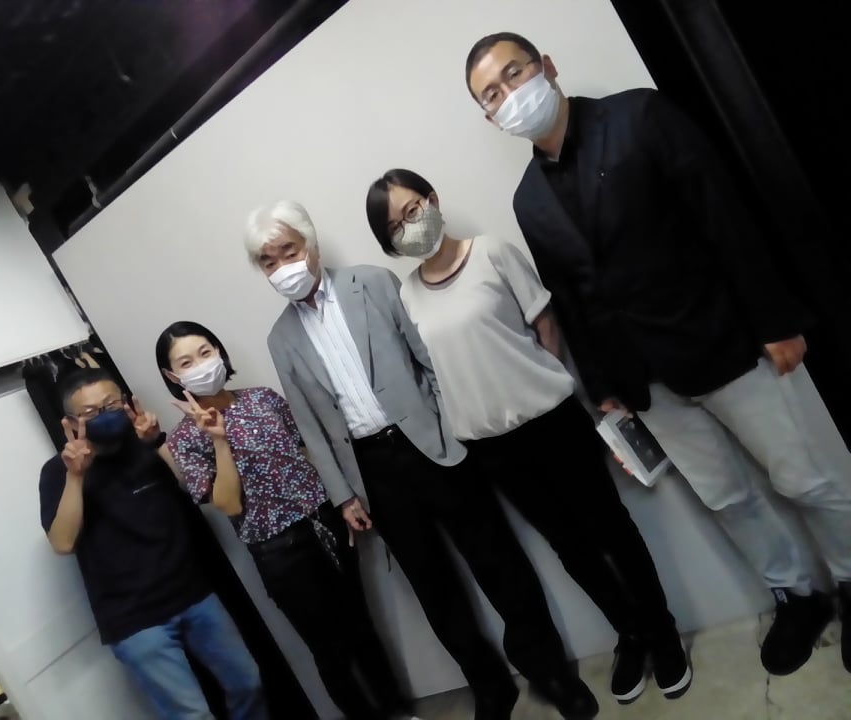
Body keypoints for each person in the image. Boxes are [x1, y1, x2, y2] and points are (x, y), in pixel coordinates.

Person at [465, 31, 851, 676]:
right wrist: (604, 390)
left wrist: (776, 319)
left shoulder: (639, 115)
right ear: (488, 116)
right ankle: (796, 594)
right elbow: (573, 300)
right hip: (645, 384)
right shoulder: (527, 200)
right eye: (491, 94)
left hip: (724, 343)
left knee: (804, 477)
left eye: (513, 74)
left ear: (547, 66)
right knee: (725, 498)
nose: (508, 95)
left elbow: (723, 214)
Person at [247, 200, 599, 720]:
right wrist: (343, 496)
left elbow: (427, 360)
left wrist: (450, 427)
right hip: (371, 471)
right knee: (434, 588)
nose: (283, 267)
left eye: (289, 251)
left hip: (433, 445)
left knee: (497, 560)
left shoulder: (373, 282)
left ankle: (550, 672)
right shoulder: (280, 339)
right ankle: (489, 685)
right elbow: (310, 425)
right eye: (269, 261)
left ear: (311, 244)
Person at [365, 168, 690, 705]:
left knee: (612, 529)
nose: (410, 226)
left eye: (412, 209)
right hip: (492, 449)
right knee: (571, 549)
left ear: (433, 199)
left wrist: (534, 382)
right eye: (396, 226)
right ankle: (628, 632)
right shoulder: (408, 297)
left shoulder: (492, 252)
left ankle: (662, 631)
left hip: (553, 423)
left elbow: (545, 325)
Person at [155, 321, 418, 720]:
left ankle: (397, 711)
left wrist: (342, 502)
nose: (201, 364)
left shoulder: (263, 398)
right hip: (279, 551)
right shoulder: (185, 439)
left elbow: (308, 451)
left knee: (360, 626)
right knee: (328, 647)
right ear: (173, 376)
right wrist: (219, 441)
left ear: (220, 352)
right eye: (186, 362)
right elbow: (227, 504)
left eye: (205, 352)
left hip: (324, 524)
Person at [38, 368, 268, 720]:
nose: (105, 415)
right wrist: (76, 476)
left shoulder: (147, 444)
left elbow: (195, 490)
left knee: (248, 682)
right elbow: (63, 542)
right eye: (91, 412)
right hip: (135, 620)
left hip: (194, 595)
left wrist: (157, 442)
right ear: (70, 423)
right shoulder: (58, 471)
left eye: (111, 404)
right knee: (192, 715)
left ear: (127, 403)